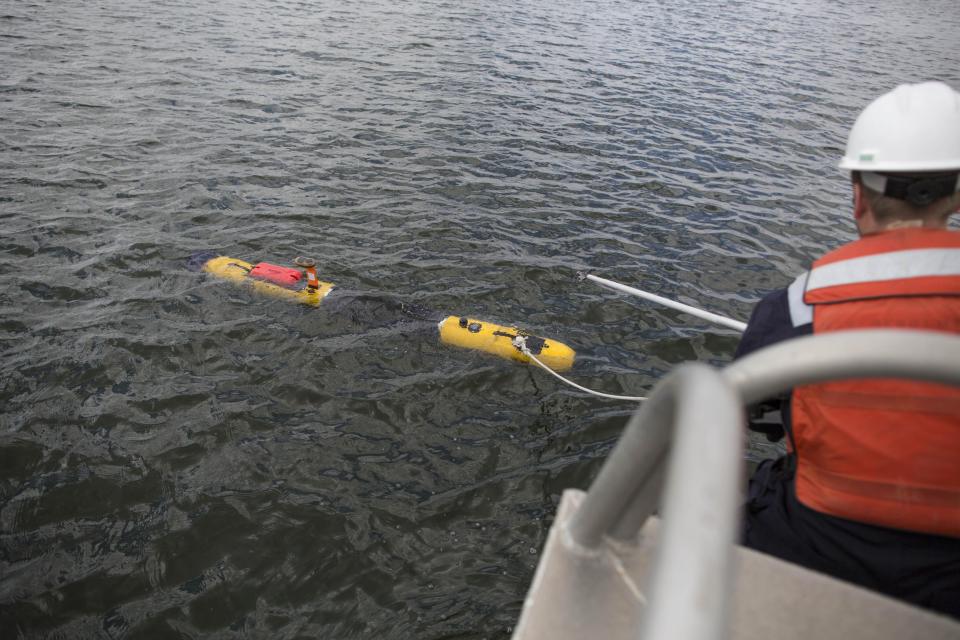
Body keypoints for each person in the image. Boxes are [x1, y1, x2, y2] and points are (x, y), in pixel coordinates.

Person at [734, 81, 960, 619]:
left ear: (858, 193)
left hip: (818, 545)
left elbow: (749, 404)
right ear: (955, 195)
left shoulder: (796, 305)